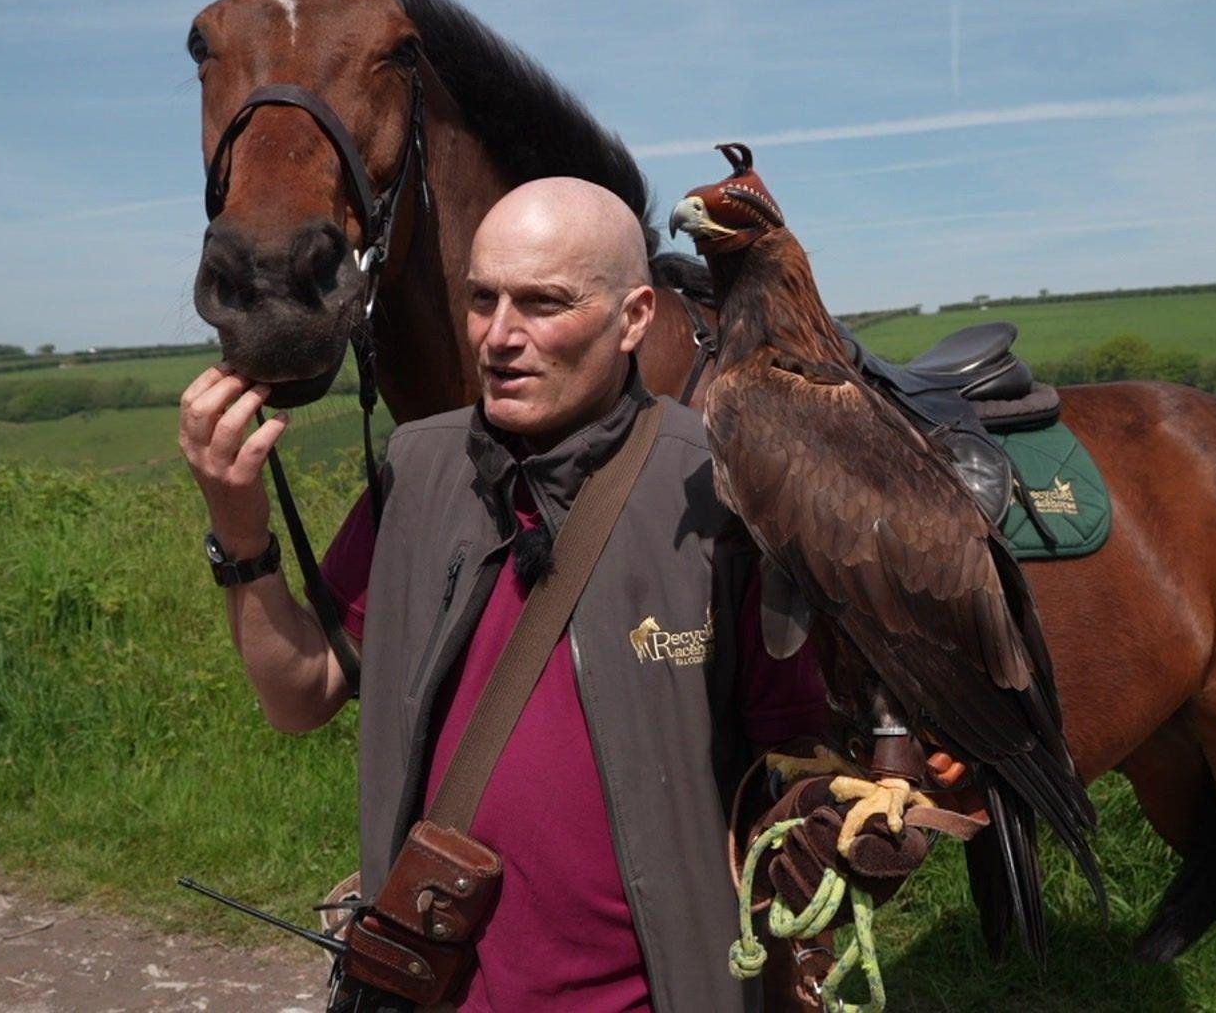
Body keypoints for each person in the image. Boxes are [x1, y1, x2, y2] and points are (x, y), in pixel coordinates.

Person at [180, 177, 826, 1011]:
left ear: (633, 317)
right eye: (483, 299)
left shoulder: (714, 487)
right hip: (428, 986)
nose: (499, 337)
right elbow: (301, 695)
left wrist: (861, 822)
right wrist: (237, 524)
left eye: (543, 303)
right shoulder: (417, 471)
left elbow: (802, 757)